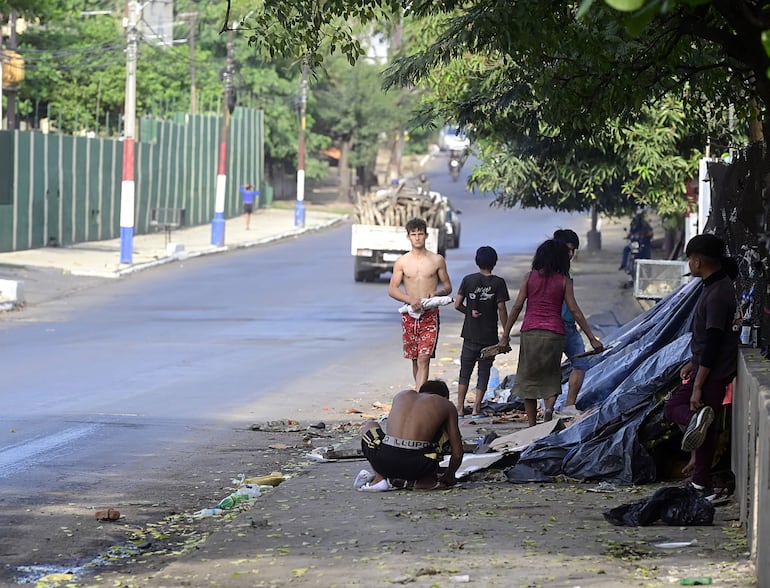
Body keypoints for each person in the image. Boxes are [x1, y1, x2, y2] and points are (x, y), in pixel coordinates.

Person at [663, 234, 739, 500]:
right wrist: (692, 362)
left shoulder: (718, 293)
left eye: (689, 259)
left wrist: (697, 384)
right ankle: (699, 483)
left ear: (698, 261)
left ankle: (700, 479)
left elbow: (714, 341)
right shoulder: (714, 286)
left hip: (713, 372)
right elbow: (706, 339)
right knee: (706, 428)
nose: (689, 265)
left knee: (675, 408)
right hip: (705, 367)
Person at [500, 239, 603, 427]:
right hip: (555, 333)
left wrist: (505, 335)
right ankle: (548, 410)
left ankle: (532, 425)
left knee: (528, 377)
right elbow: (574, 310)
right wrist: (592, 338)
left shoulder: (529, 277)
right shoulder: (564, 281)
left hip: (530, 332)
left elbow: (516, 307)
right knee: (551, 376)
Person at [359, 380, 463, 490]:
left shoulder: (401, 395)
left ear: (421, 392)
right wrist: (449, 475)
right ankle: (425, 481)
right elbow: (457, 453)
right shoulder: (446, 404)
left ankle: (379, 479)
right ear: (445, 397)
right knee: (446, 434)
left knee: (370, 424)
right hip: (419, 466)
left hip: (383, 462)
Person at [388, 218, 452, 390]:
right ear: (408, 237)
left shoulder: (437, 260)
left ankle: (419, 396)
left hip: (429, 314)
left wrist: (436, 294)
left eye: (420, 234)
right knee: (415, 358)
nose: (417, 238)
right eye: (413, 234)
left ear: (426, 236)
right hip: (410, 314)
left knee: (425, 357)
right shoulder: (402, 261)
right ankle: (420, 391)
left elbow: (447, 287)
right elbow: (392, 289)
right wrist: (410, 300)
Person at [454, 246, 510, 416]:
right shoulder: (499, 283)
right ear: (494, 262)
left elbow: (457, 305)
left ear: (476, 261)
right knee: (484, 371)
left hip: (470, 334)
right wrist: (505, 334)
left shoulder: (468, 280)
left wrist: (469, 313)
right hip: (489, 336)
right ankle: (477, 408)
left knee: (465, 371)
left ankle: (460, 407)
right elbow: (502, 309)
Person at [552, 229, 589, 417]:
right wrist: (591, 335)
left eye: (573, 250)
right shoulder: (561, 275)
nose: (571, 254)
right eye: (568, 250)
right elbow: (574, 307)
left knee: (577, 363)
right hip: (558, 326)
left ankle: (560, 407)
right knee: (580, 362)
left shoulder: (547, 271)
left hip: (562, 325)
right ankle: (564, 406)